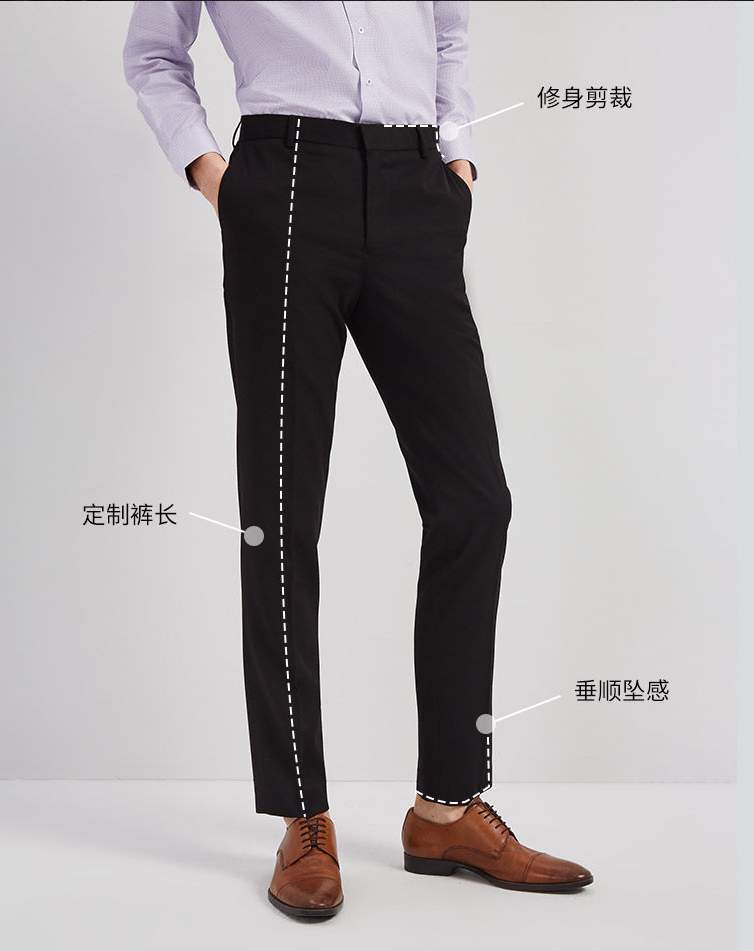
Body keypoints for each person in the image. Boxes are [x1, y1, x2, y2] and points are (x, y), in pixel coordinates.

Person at [123, 1, 592, 920]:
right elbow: (153, 55)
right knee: (281, 513)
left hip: (418, 185)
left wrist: (456, 161)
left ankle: (446, 809)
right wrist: (217, 177)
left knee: (474, 501)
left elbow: (448, 31)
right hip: (286, 181)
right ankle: (302, 814)